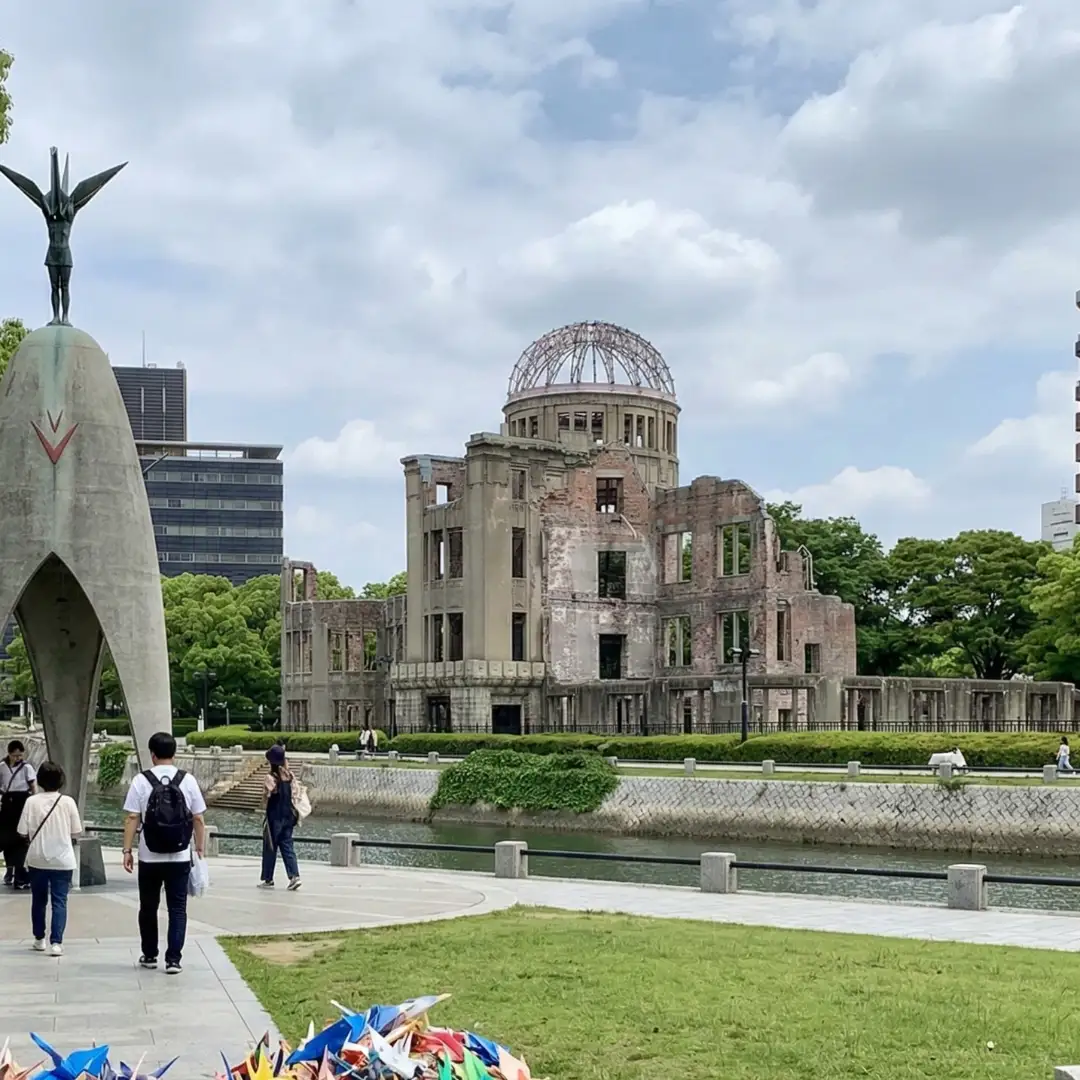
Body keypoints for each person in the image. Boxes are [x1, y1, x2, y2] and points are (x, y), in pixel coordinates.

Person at [122, 732, 206, 975]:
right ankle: (173, 960)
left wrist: (127, 850)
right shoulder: (187, 780)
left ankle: (149, 955)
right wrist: (199, 847)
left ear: (152, 754)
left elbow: (132, 817)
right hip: (180, 855)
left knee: (148, 906)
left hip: (149, 855)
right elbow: (198, 818)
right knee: (177, 908)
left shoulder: (141, 780)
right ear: (174, 753)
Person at [16, 761, 82, 956]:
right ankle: (57, 942)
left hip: (37, 858)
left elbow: (21, 831)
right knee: (59, 901)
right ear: (61, 780)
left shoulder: (31, 802)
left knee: (38, 900)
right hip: (62, 859)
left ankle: (39, 939)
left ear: (40, 780)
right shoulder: (68, 802)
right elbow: (76, 831)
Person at [259, 745, 301, 891]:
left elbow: (266, 797)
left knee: (270, 847)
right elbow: (295, 794)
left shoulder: (270, 778)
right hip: (288, 816)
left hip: (274, 817)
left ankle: (268, 878)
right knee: (288, 846)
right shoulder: (290, 776)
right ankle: (294, 876)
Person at [0, 740, 37, 890]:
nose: (18, 758)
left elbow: (33, 786)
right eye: (15, 756)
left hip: (22, 802)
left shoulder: (27, 767)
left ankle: (19, 873)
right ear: (9, 754)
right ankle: (10, 870)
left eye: (20, 755)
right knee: (6, 838)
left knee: (21, 838)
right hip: (7, 802)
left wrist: (35, 803)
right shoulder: (1, 767)